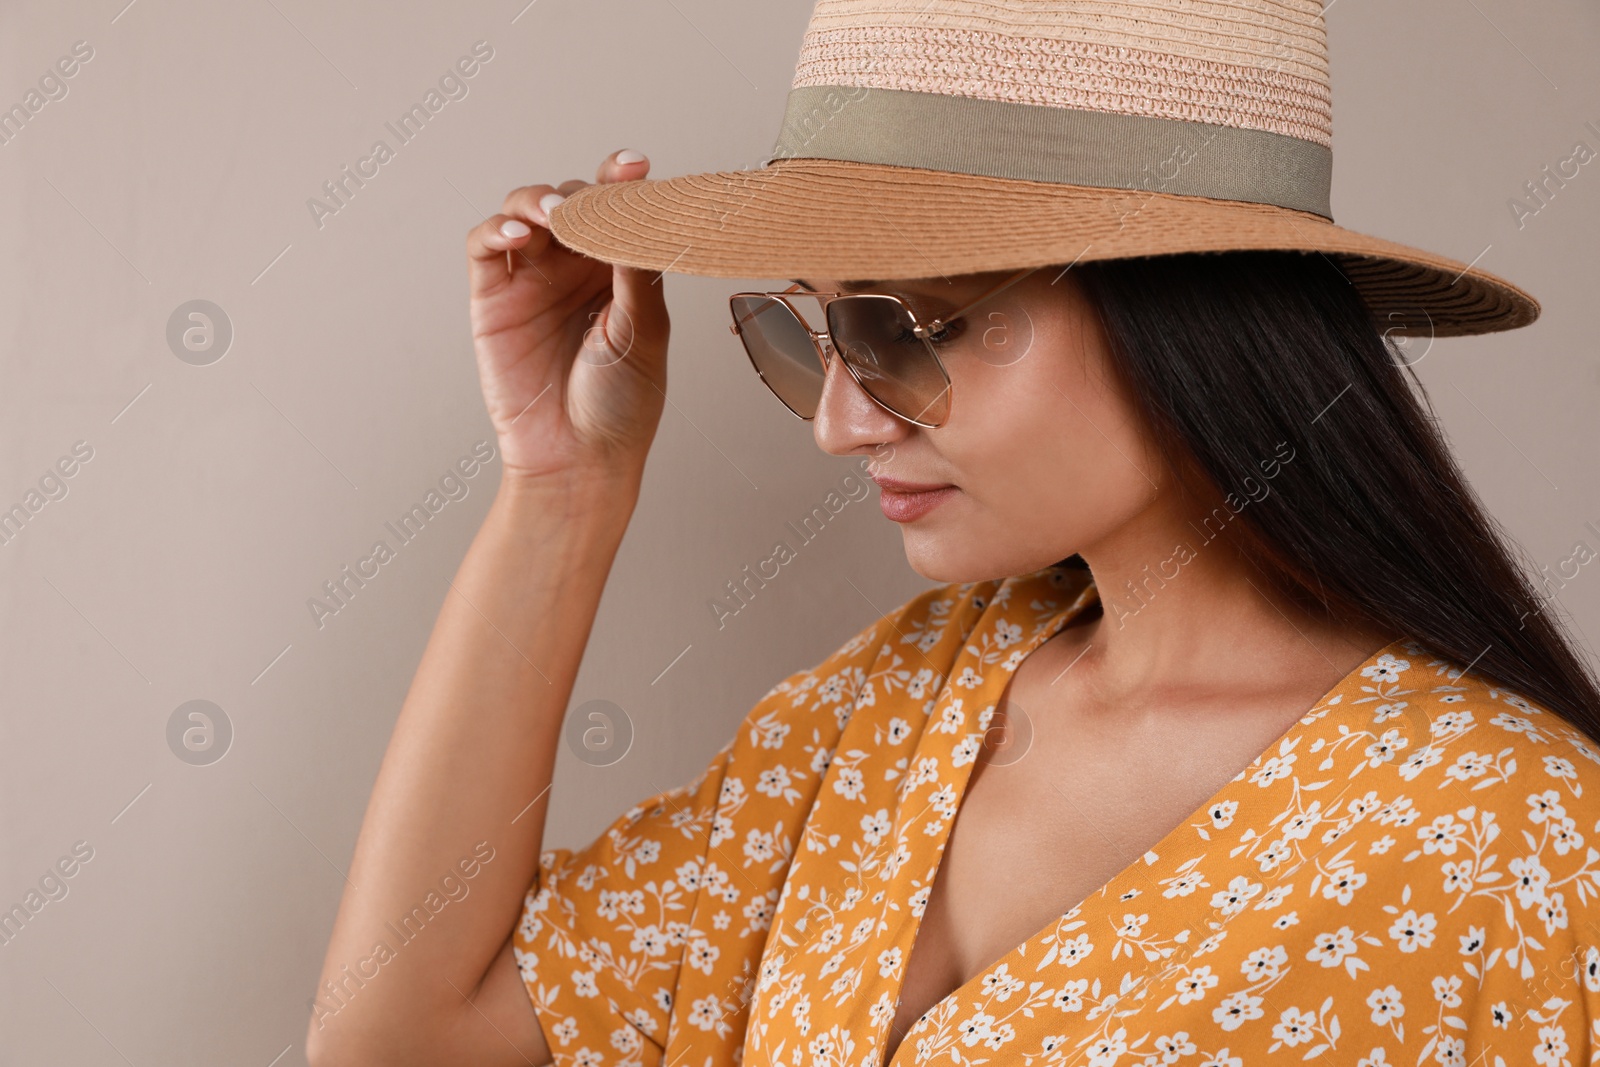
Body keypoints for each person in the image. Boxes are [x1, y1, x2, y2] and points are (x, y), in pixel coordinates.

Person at [307, 3, 1600, 1066]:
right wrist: (563, 487)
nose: (836, 424)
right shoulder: (898, 703)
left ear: (1184, 313)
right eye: (813, 329)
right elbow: (400, 1038)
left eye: (907, 327)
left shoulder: (1503, 831)